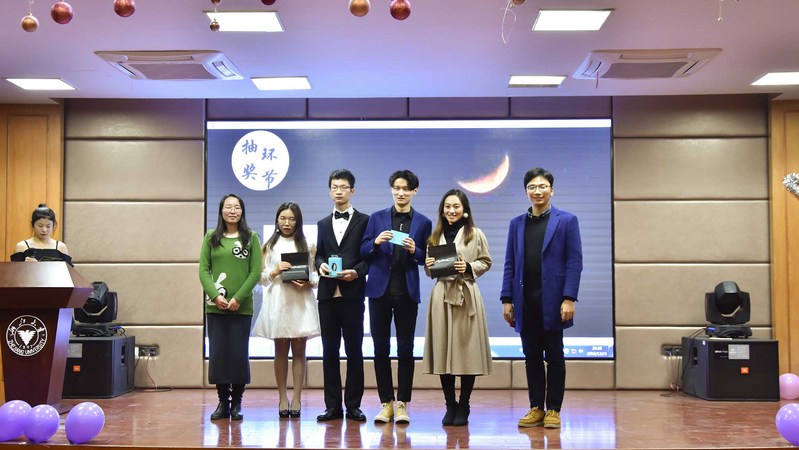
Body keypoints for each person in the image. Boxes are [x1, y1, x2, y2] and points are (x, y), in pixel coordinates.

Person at [500, 168, 583, 429]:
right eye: (532, 187)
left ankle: (554, 409)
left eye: (543, 186)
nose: (537, 191)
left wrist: (569, 298)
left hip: (554, 301)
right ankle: (536, 407)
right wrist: (507, 299)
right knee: (531, 357)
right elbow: (510, 263)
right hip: (525, 301)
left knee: (555, 357)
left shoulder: (567, 221)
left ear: (551, 190)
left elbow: (574, 262)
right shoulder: (517, 224)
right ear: (526, 192)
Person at [360, 170, 432, 424]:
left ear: (415, 191)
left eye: (406, 189)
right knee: (380, 349)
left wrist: (415, 251)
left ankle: (402, 403)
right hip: (378, 291)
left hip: (407, 293)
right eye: (397, 188)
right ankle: (385, 402)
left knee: (406, 349)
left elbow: (427, 258)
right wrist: (376, 242)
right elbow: (363, 250)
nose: (401, 193)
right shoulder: (377, 218)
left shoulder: (423, 222)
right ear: (391, 189)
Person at [422, 189, 492, 427]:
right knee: (443, 350)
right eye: (448, 207)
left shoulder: (475, 234)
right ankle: (450, 404)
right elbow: (430, 270)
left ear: (465, 210)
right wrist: (428, 265)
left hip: (466, 294)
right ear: (442, 210)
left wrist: (469, 267)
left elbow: (486, 261)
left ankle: (464, 404)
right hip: (441, 295)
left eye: (456, 207)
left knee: (467, 351)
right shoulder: (434, 236)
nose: (452, 211)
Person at [252, 201, 320, 419]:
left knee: (299, 352)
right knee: (280, 351)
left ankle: (297, 398)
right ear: (277, 220)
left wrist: (309, 282)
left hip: (300, 300)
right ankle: (282, 397)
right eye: (283, 218)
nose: (287, 223)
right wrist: (275, 271)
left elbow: (316, 274)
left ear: (298, 221)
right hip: (278, 302)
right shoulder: (268, 246)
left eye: (291, 219)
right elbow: (260, 279)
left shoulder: (308, 244)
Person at [199, 194, 262, 422]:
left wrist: (238, 298)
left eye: (237, 207)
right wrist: (215, 296)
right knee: (219, 355)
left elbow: (255, 272)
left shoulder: (251, 238)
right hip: (215, 307)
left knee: (238, 354)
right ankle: (222, 402)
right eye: (228, 207)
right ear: (221, 210)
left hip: (241, 308)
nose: (232, 211)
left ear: (242, 211)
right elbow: (203, 270)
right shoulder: (211, 237)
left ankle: (237, 402)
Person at [314, 169, 370, 422]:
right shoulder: (323, 223)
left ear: (352, 190)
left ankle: (354, 405)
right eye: (334, 187)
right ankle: (332, 406)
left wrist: (356, 273)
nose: (339, 191)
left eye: (343, 187)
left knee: (354, 350)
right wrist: (321, 265)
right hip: (327, 295)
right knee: (329, 352)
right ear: (329, 192)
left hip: (353, 294)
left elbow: (370, 257)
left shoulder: (365, 221)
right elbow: (319, 254)